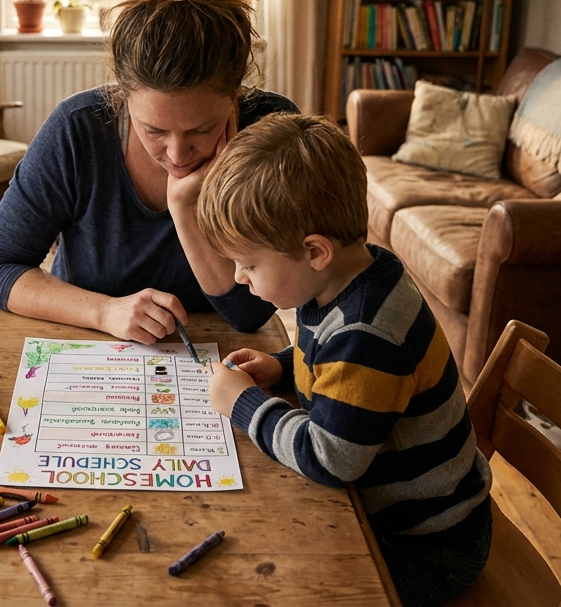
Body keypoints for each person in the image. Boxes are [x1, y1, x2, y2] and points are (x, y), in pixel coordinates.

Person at [197, 113, 492, 607]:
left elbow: (330, 460)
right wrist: (284, 365)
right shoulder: (356, 275)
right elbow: (338, 368)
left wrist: (245, 405)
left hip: (426, 546)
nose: (240, 278)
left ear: (314, 251)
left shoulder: (367, 331)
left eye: (248, 264)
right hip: (401, 515)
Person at [0, 0, 299, 342]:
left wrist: (185, 206)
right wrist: (105, 311)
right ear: (123, 97)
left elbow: (249, 313)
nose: (178, 154)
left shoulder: (272, 130)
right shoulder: (78, 129)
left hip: (223, 361)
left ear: (235, 94)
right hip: (90, 349)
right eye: (154, 130)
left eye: (201, 129)